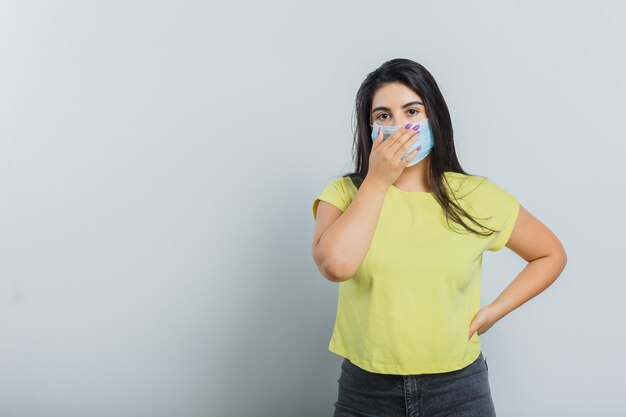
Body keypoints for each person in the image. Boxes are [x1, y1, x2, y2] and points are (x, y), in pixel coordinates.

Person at [310, 58, 568, 416]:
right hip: (366, 391)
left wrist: (495, 311)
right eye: (384, 116)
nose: (399, 126)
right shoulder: (343, 194)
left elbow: (550, 254)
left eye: (411, 111)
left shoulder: (475, 196)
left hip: (458, 390)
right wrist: (377, 180)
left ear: (434, 118)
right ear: (369, 127)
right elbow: (336, 266)